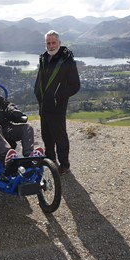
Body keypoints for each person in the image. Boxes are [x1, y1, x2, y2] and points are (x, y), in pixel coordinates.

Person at [34, 30, 80, 175]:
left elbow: (75, 85)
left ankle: (64, 165)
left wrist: (57, 96)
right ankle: (50, 158)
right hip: (44, 105)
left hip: (57, 106)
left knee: (60, 136)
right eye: (48, 43)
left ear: (59, 43)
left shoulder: (67, 60)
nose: (51, 45)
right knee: (46, 135)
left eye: (54, 42)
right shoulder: (43, 58)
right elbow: (40, 80)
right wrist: (37, 94)